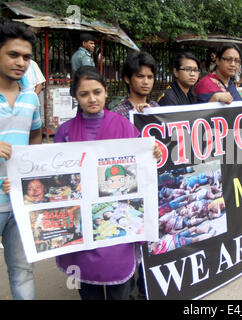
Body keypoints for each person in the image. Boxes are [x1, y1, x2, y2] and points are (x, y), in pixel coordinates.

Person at [53, 66, 161, 300]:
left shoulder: (125, 127)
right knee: (88, 290)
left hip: (119, 222)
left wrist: (153, 154)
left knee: (119, 291)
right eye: (84, 94)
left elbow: (140, 168)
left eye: (97, 92)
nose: (92, 99)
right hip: (81, 223)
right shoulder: (65, 132)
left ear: (105, 93)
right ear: (76, 97)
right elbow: (57, 178)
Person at [0, 20, 42, 300]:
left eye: (26, 57)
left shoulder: (31, 98)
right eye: (13, 54)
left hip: (18, 200)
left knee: (22, 270)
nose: (21, 62)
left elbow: (36, 138)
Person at [112, 51, 159, 119]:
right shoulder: (118, 114)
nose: (146, 82)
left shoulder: (156, 108)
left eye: (150, 77)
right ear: (127, 79)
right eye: (140, 76)